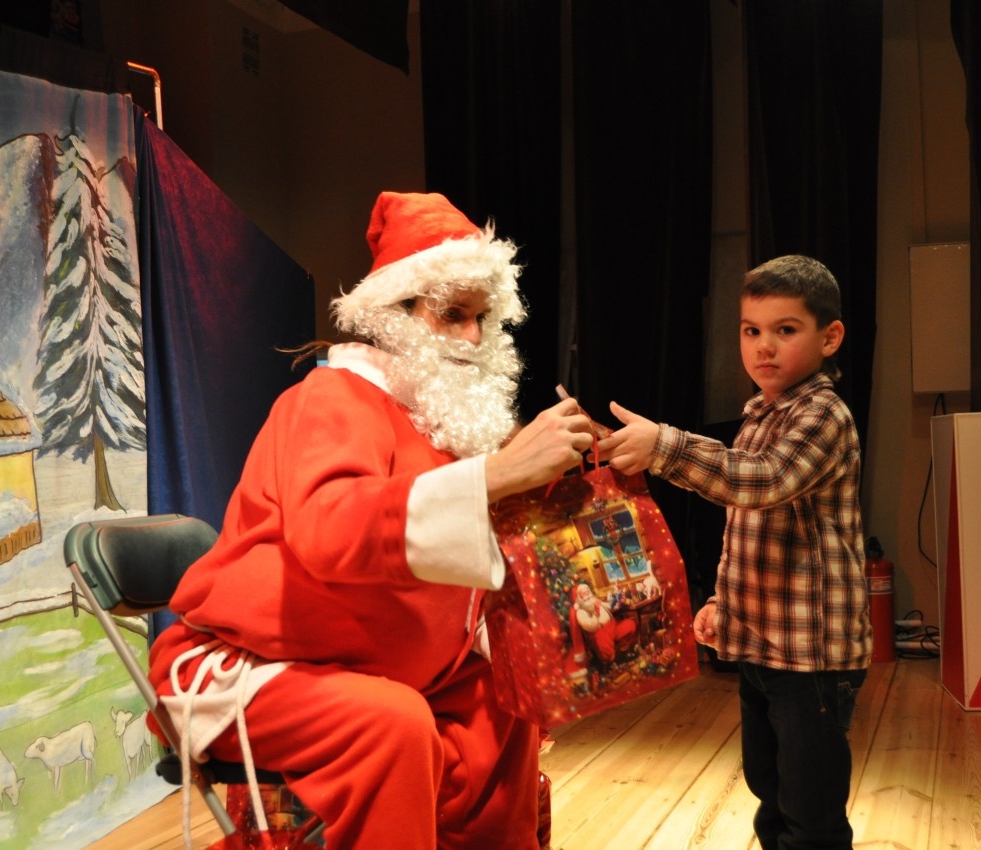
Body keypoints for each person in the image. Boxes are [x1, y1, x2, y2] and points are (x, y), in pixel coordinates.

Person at [145, 191, 595, 849]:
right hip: (249, 662)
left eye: (480, 317)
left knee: (503, 700)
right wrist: (496, 475)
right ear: (394, 314)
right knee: (394, 725)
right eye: (452, 315)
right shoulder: (330, 398)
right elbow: (331, 530)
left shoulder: (439, 426)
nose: (472, 337)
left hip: (378, 663)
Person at [597, 254, 872, 850]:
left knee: (811, 809)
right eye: (751, 331)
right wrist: (724, 602)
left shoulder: (823, 414)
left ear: (830, 338)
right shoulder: (758, 415)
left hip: (811, 657)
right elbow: (746, 527)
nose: (763, 346)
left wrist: (664, 446)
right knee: (769, 787)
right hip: (761, 646)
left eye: (785, 329)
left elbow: (764, 480)